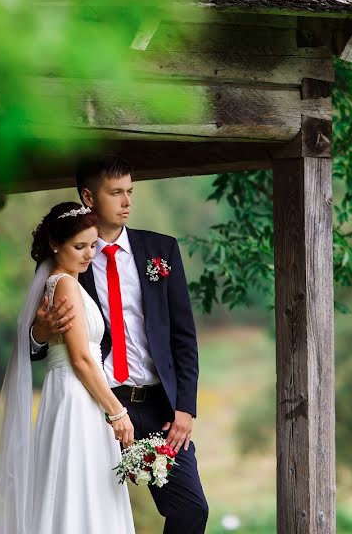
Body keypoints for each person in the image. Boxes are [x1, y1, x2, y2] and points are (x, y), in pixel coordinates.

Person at [31, 156, 209, 533]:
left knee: (191, 509)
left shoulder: (161, 251)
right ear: (88, 197)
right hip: (98, 405)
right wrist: (39, 334)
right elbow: (46, 339)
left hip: (160, 407)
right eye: (116, 193)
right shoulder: (66, 261)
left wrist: (185, 409)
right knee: (90, 511)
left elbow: (183, 338)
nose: (127, 201)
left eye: (130, 191)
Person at [0, 202, 136, 534]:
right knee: (78, 491)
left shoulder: (68, 282)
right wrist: (118, 412)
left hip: (78, 396)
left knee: (81, 489)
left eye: (93, 244)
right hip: (77, 398)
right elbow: (80, 358)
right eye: (79, 246)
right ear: (55, 244)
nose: (89, 254)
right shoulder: (64, 284)